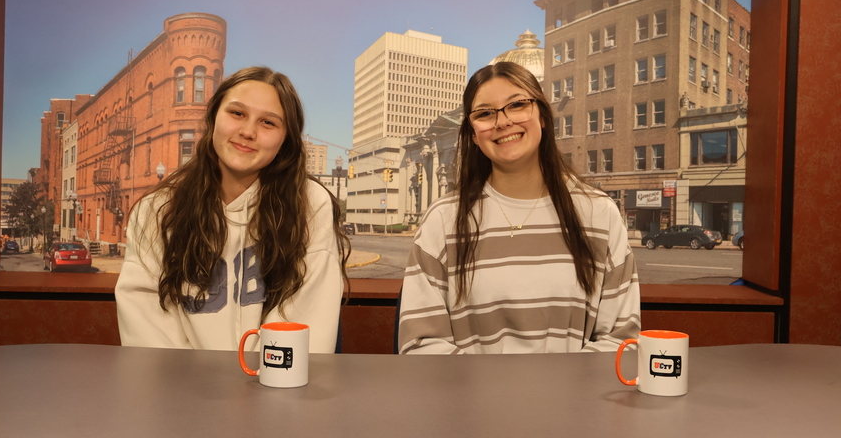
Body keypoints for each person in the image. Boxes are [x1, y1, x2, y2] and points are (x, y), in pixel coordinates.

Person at [398, 61, 640, 354]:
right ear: (474, 134)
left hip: (575, 399)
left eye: (517, 105)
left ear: (543, 117)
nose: (502, 122)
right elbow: (420, 345)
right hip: (472, 400)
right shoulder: (443, 220)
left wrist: (561, 396)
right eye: (485, 113)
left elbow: (621, 340)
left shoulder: (599, 213)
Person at [116, 66, 350, 353]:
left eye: (268, 123)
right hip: (180, 391)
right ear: (213, 117)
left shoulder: (309, 203)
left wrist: (255, 389)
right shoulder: (157, 209)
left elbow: (303, 326)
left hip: (275, 391)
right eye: (237, 113)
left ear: (285, 140)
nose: (248, 131)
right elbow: (147, 326)